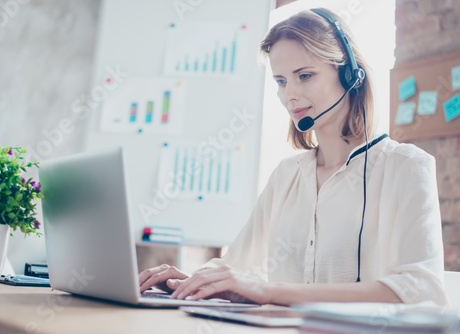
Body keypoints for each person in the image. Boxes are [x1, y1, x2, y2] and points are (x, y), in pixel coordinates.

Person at [138, 8, 447, 306]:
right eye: (281, 81)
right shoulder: (287, 175)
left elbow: (421, 289)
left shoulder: (405, 167)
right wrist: (186, 282)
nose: (289, 95)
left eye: (305, 75)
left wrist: (269, 291)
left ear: (349, 75)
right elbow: (237, 266)